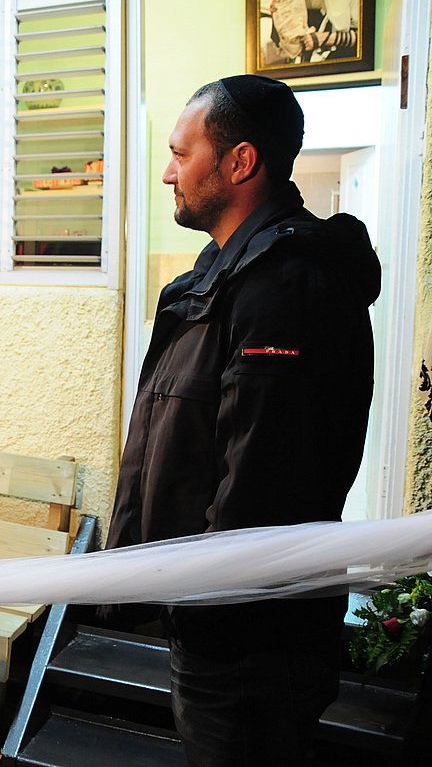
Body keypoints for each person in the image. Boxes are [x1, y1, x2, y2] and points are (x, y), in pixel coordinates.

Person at [103, 75, 378, 765]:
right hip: (204, 617)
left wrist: (200, 612)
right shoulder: (221, 276)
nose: (168, 173)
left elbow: (262, 480)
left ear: (240, 162)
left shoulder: (287, 286)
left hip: (248, 638)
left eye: (180, 153)